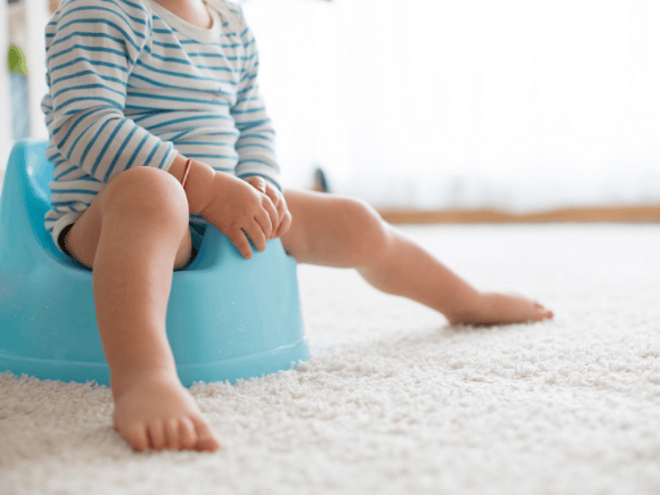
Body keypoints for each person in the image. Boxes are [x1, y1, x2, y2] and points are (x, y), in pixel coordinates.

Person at [41, 0, 553, 453]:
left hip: (222, 205)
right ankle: (143, 378)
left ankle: (465, 300)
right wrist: (207, 189)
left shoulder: (231, 21)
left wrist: (260, 182)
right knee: (154, 192)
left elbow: (254, 123)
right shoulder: (98, 9)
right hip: (110, 220)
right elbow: (84, 122)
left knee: (352, 221)